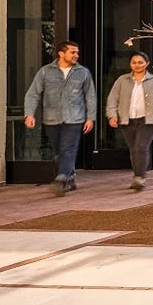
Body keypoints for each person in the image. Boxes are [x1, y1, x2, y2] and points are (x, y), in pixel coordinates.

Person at [22, 40, 95, 196]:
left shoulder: (83, 72)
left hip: (75, 118)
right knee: (58, 151)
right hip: (51, 118)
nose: (77, 55)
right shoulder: (45, 72)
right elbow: (33, 94)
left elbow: (90, 96)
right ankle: (70, 176)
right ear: (61, 53)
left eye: (77, 52)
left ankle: (61, 179)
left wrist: (91, 118)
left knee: (68, 148)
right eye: (72, 52)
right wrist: (29, 114)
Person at [105, 51, 153, 191]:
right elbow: (112, 99)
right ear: (130, 64)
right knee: (134, 148)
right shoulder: (122, 80)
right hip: (127, 120)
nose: (137, 65)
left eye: (140, 62)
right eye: (134, 62)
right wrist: (112, 115)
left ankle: (139, 177)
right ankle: (137, 175)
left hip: (149, 121)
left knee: (141, 147)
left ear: (147, 64)